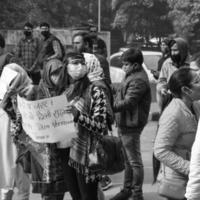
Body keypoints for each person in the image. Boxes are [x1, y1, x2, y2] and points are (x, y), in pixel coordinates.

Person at [64, 51, 108, 200]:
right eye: (75, 63)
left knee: (88, 197)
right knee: (76, 196)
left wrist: (79, 116)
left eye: (82, 62)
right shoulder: (67, 92)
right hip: (69, 153)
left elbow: (100, 126)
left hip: (89, 155)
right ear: (67, 68)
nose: (79, 66)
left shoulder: (96, 91)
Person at [110, 48, 151, 200]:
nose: (123, 67)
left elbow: (129, 102)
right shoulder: (132, 75)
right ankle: (127, 190)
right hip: (125, 122)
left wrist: (109, 106)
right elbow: (122, 91)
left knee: (134, 161)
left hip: (131, 124)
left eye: (126, 64)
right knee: (128, 160)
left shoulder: (138, 79)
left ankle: (136, 194)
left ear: (135, 65)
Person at [154, 68, 200, 200]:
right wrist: (190, 168)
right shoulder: (173, 114)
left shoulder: (195, 105)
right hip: (178, 181)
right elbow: (160, 150)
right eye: (197, 81)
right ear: (186, 90)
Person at [0, 38, 31, 200]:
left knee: (16, 164)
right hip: (7, 122)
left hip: (15, 124)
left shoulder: (10, 65)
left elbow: (17, 90)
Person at [156, 37, 189, 111]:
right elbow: (162, 80)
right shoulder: (167, 63)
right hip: (171, 100)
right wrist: (162, 88)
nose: (173, 53)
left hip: (188, 102)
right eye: (171, 50)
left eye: (175, 50)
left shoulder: (192, 64)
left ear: (183, 50)